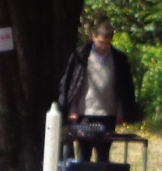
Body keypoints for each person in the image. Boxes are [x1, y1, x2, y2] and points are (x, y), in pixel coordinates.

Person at [57, 21, 142, 163]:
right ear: (93, 37)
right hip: (84, 113)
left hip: (108, 114)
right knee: (84, 154)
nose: (103, 46)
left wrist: (121, 110)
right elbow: (71, 85)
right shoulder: (81, 56)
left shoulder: (119, 59)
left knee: (103, 156)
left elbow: (125, 88)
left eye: (107, 43)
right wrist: (72, 110)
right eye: (100, 42)